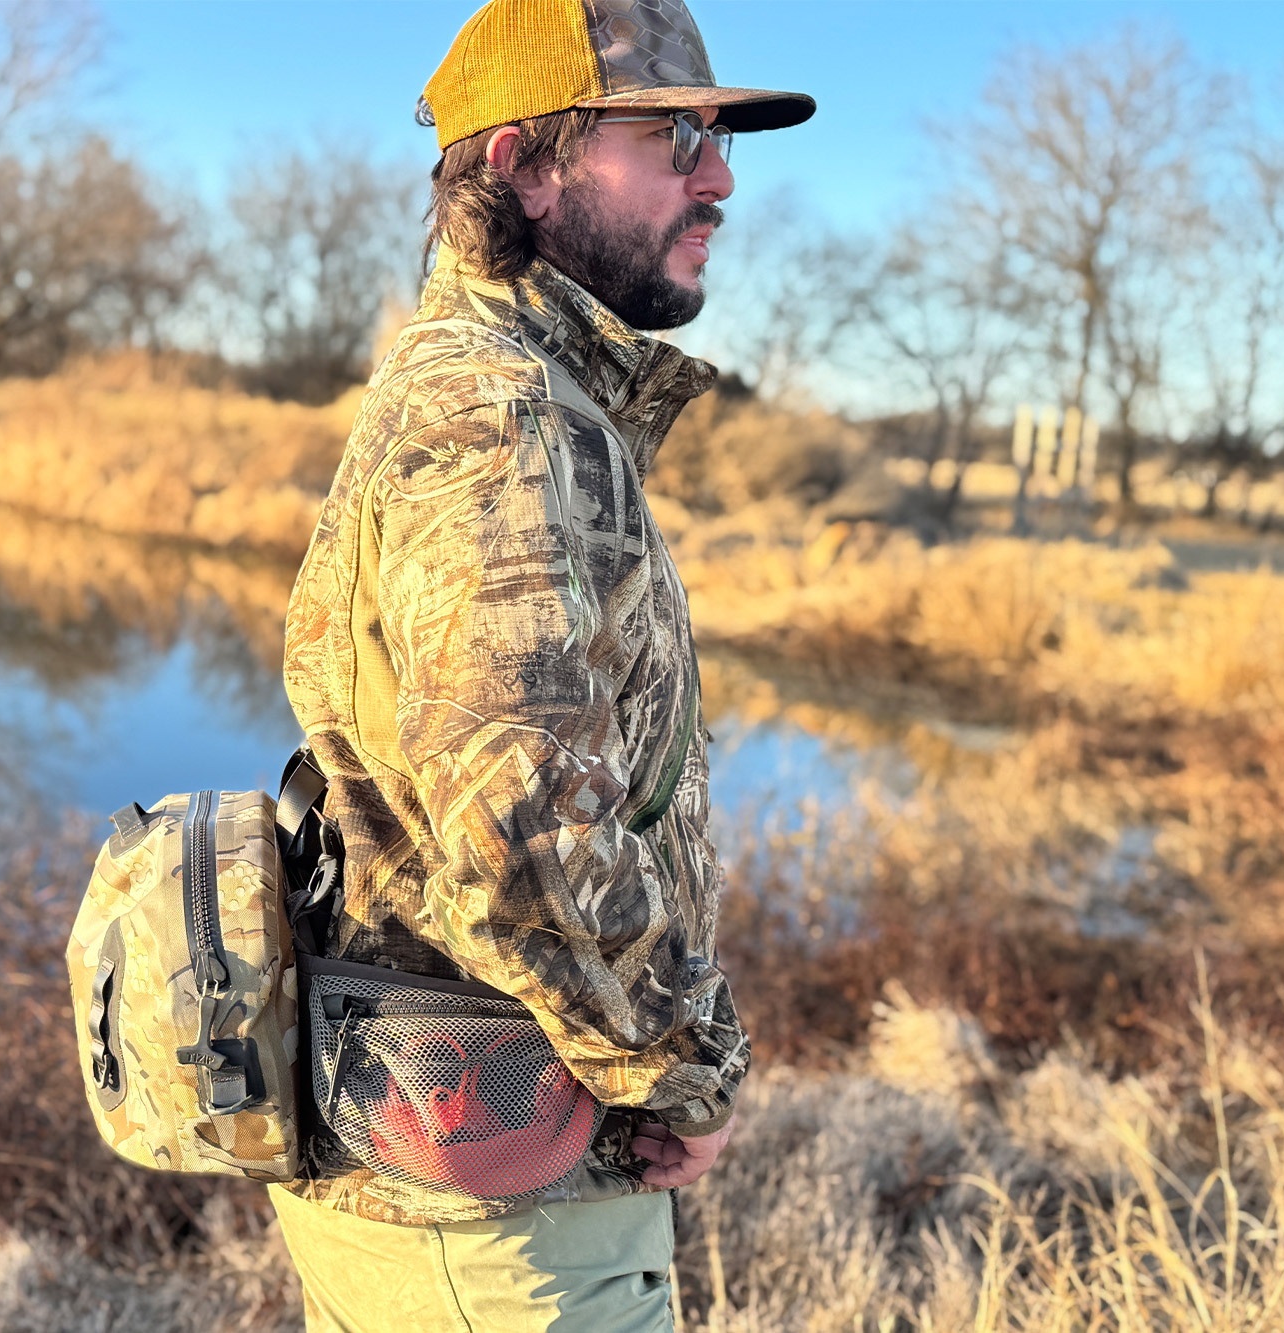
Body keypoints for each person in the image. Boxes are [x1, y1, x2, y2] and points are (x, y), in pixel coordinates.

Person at [277, 1, 814, 1328]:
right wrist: (687, 1069)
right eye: (674, 133)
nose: (721, 175)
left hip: (461, 1184)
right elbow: (524, 827)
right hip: (502, 1224)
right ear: (522, 164)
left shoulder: (497, 391)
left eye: (719, 135)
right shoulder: (504, 414)